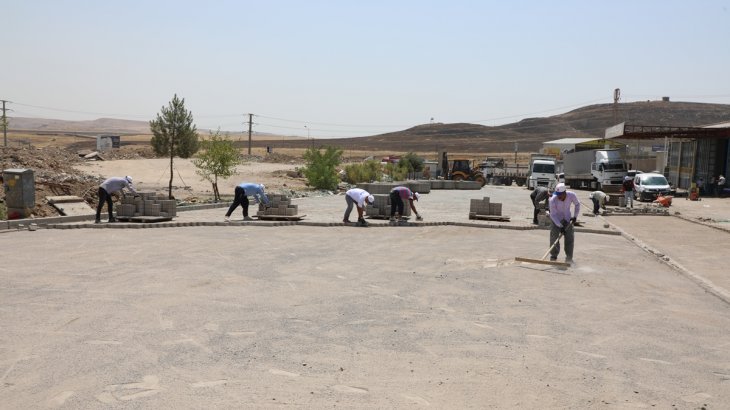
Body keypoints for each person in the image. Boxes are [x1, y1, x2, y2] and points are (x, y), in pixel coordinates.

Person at [548, 182, 580, 263]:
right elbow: (553, 215)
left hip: (567, 219)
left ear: (564, 192)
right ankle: (553, 255)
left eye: (560, 195)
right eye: (557, 194)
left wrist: (575, 216)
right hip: (556, 219)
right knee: (554, 237)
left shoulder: (572, 195)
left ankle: (569, 257)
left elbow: (577, 204)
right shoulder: (553, 200)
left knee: (570, 238)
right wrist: (560, 225)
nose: (558, 196)